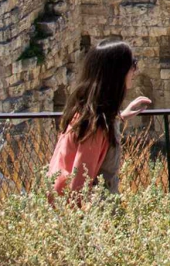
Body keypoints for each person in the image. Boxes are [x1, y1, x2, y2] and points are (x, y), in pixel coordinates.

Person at [48, 41, 151, 195]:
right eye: (132, 64)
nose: (134, 70)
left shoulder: (88, 114)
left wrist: (120, 117)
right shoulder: (94, 126)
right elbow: (79, 185)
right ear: (117, 72)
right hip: (96, 211)